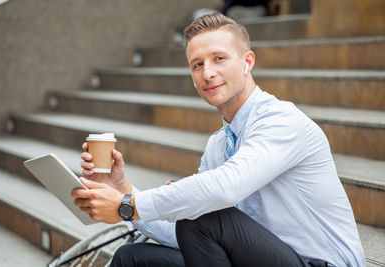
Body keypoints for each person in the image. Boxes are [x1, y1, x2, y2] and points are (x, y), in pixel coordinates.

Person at [72, 13, 366, 267]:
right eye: (197, 65)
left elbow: (224, 191)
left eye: (219, 59)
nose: (208, 73)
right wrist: (123, 188)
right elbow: (186, 237)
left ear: (247, 62)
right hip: (262, 258)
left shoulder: (281, 120)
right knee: (132, 258)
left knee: (200, 212)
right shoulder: (218, 144)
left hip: (320, 262)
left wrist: (128, 204)